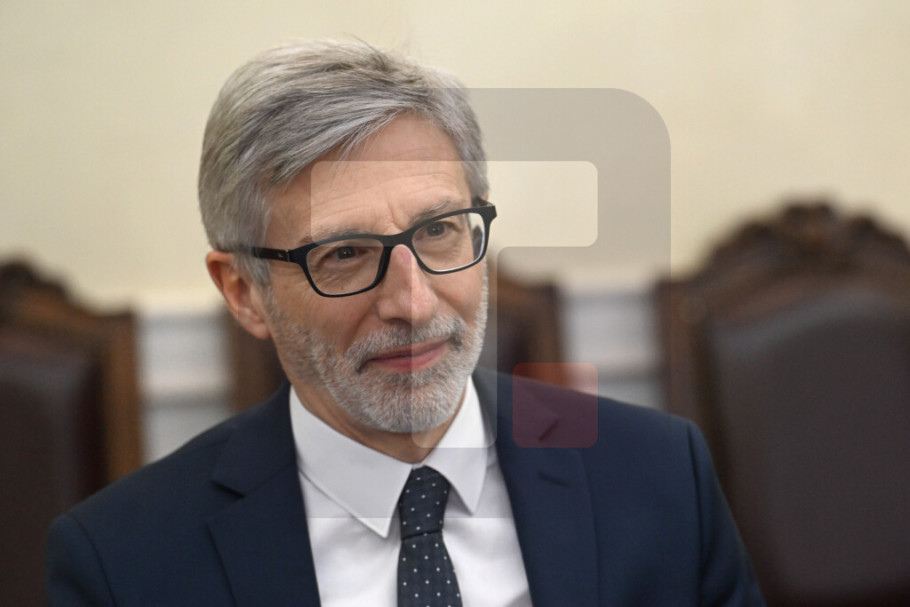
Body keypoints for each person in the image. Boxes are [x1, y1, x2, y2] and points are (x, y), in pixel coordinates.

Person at [46, 40, 765, 606]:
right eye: (345, 253)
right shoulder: (123, 563)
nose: (414, 303)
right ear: (244, 292)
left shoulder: (658, 475)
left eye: (439, 231)